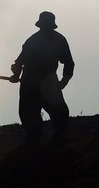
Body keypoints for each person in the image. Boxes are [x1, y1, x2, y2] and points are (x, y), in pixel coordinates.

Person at [10, 11, 75, 148]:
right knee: (30, 115)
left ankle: (55, 138)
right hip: (31, 82)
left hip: (47, 82)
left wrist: (64, 81)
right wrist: (16, 74)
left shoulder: (56, 40)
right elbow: (19, 63)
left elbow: (69, 63)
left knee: (60, 113)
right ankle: (33, 142)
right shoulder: (33, 41)